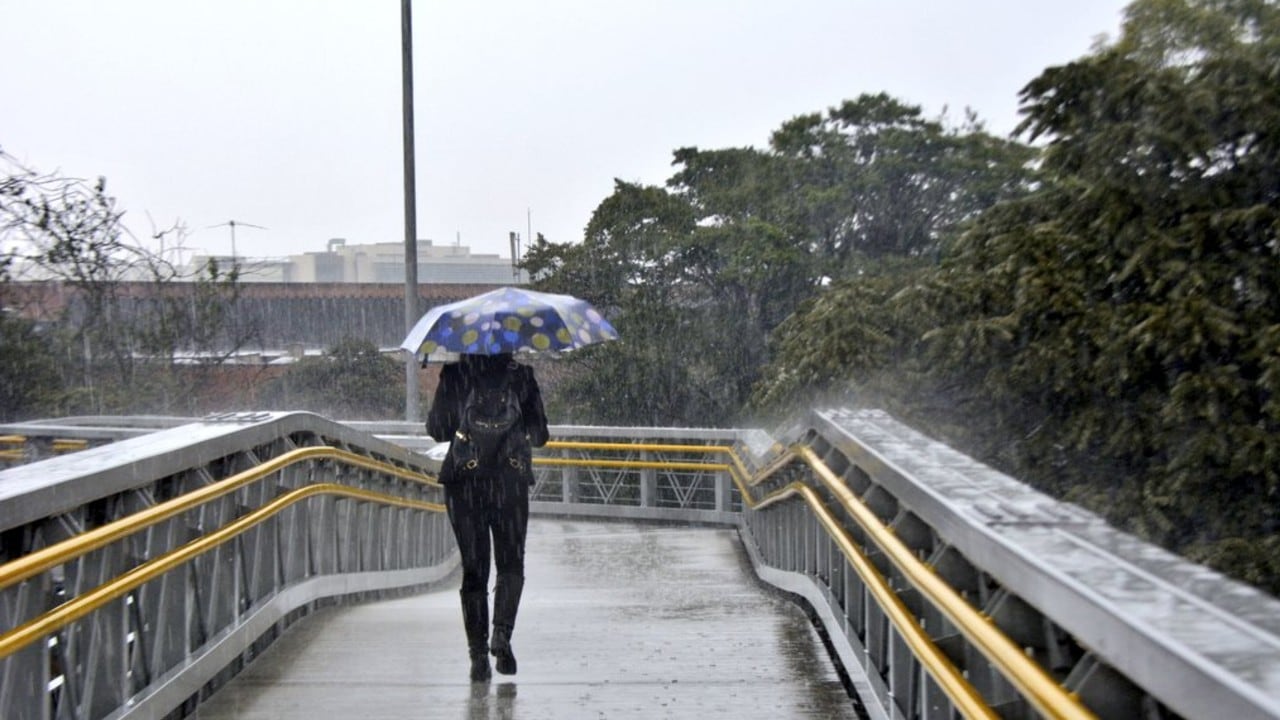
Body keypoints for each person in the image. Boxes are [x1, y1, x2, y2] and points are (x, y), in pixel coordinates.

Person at [427, 352, 549, 683]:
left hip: (464, 483)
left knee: (474, 571)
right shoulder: (521, 375)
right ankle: (502, 635)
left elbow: (437, 430)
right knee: (510, 565)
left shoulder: (455, 374)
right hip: (509, 484)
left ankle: (478, 656)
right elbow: (540, 436)